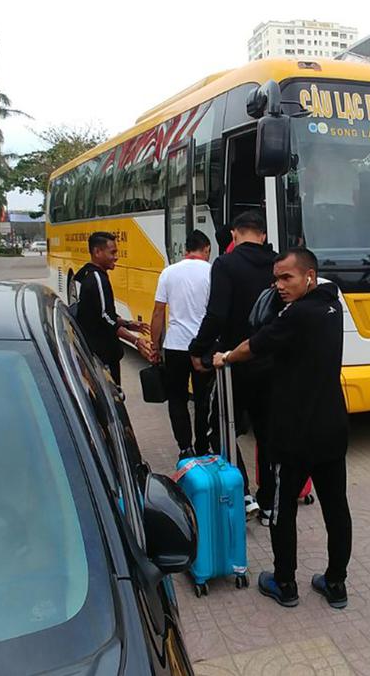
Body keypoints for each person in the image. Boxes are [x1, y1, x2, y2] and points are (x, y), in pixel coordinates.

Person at [214, 248, 351, 610]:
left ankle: (284, 582)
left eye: (286, 278)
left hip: (294, 433)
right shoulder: (332, 304)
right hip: (333, 427)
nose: (278, 286)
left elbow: (252, 347)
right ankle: (336, 584)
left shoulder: (298, 314)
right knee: (337, 507)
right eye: (275, 279)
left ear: (309, 276)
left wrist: (225, 357)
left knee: (281, 506)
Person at [189, 211, 277, 520]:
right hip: (270, 362)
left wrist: (198, 350)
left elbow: (216, 315)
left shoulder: (225, 265)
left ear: (235, 235)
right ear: (263, 235)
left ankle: (242, 494)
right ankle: (270, 502)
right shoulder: (279, 263)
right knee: (268, 434)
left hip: (233, 362)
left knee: (219, 429)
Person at [149, 230, 213, 459]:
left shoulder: (168, 272)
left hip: (175, 346)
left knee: (177, 398)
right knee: (204, 399)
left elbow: (158, 313)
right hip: (203, 346)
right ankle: (204, 445)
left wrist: (155, 347)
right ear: (206, 249)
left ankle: (185, 447)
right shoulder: (212, 272)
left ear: (186, 249)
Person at [73, 231, 151, 386]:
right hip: (102, 355)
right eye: (112, 252)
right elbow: (106, 320)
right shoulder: (96, 279)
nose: (116, 257)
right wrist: (135, 341)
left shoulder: (94, 275)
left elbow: (105, 314)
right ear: (97, 252)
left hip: (101, 353)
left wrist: (128, 323)